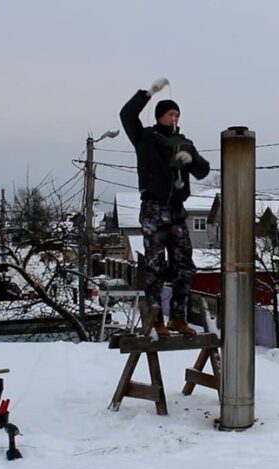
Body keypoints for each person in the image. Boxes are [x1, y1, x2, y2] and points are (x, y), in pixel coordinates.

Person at [120, 78, 210, 336]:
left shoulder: (183, 142)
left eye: (177, 114)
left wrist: (189, 157)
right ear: (160, 116)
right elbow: (126, 114)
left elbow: (203, 170)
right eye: (170, 113)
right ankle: (155, 318)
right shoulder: (145, 138)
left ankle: (178, 318)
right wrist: (147, 94)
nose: (175, 118)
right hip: (153, 209)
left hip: (177, 211)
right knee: (155, 266)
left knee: (184, 266)